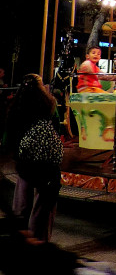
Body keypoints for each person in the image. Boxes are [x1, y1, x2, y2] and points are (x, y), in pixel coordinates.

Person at [6, 74, 63, 242]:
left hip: (25, 161)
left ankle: (20, 236)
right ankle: (40, 240)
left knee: (22, 199)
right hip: (48, 164)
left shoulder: (16, 107)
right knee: (44, 205)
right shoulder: (50, 104)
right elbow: (57, 128)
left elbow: (9, 134)